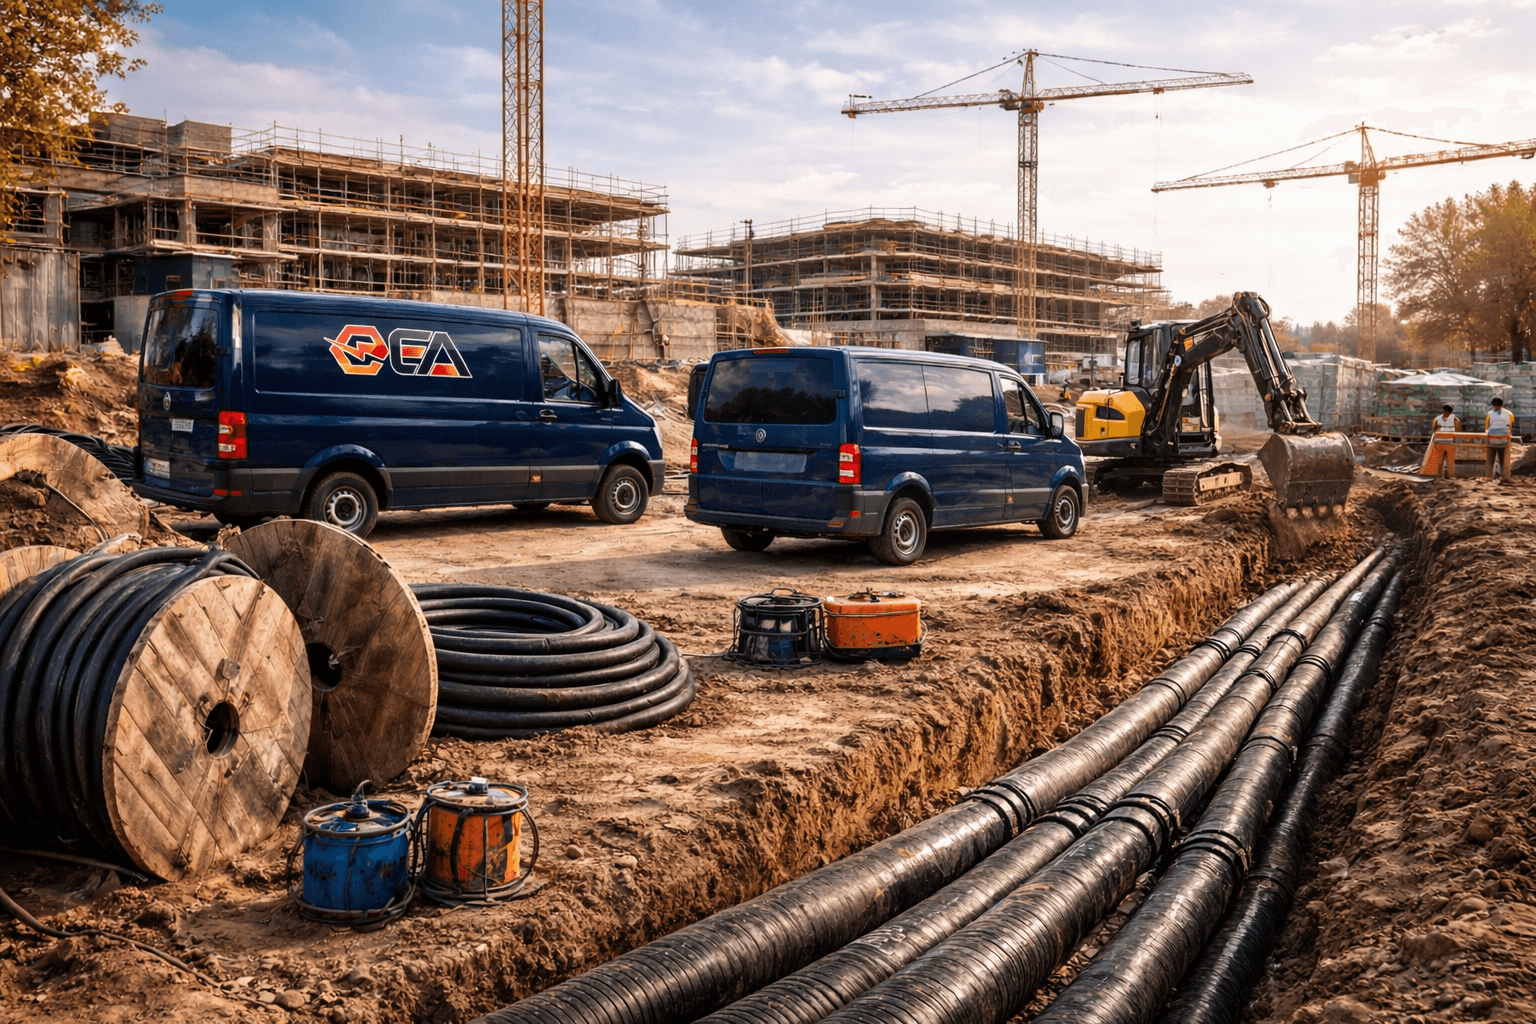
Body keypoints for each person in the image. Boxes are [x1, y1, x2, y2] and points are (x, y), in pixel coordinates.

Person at [1424, 404, 1460, 479]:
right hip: (1441, 444)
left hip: (1447, 444)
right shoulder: (1453, 420)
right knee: (1442, 462)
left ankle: (1447, 477)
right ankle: (1442, 477)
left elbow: (1458, 432)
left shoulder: (1454, 420)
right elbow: (1458, 432)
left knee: (1448, 463)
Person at [1484, 397, 1516, 481]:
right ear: (1502, 404)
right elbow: (1511, 424)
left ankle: (1488, 477)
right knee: (1504, 461)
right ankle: (1505, 477)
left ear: (1493, 405)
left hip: (1492, 440)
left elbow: (1486, 427)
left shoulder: (1490, 413)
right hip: (1504, 441)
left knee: (1490, 460)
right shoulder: (1509, 413)